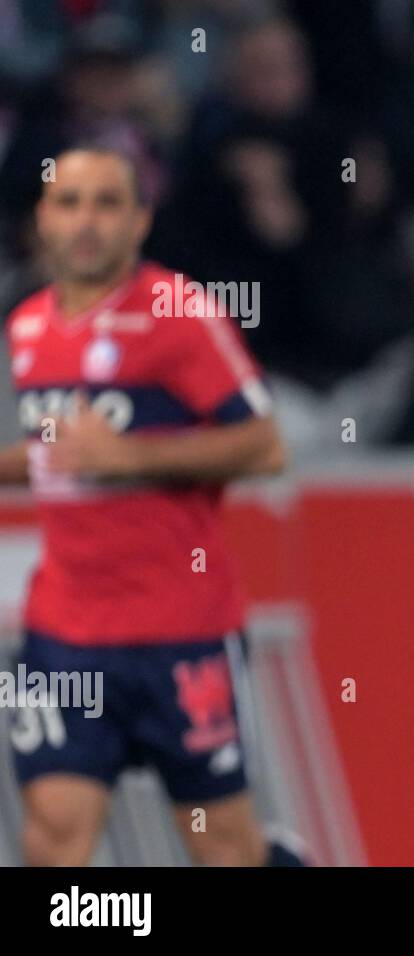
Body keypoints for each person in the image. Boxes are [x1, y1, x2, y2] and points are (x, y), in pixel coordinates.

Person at [0, 145, 303, 866]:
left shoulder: (179, 314)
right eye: (69, 203)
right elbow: (59, 455)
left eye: (108, 203)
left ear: (140, 220)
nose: (87, 222)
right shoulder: (27, 328)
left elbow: (265, 447)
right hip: (65, 630)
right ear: (43, 218)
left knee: (222, 849)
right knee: (54, 840)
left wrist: (128, 456)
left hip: (182, 629)